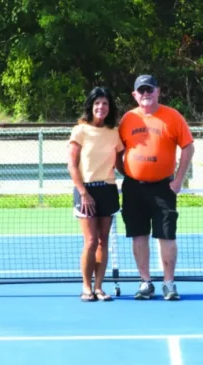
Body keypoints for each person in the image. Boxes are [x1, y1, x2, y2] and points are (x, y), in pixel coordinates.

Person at [117, 75, 195, 301]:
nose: (145, 94)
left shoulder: (173, 117)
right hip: (133, 188)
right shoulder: (128, 118)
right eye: (141, 91)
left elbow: (188, 148)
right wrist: (128, 173)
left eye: (149, 89)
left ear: (158, 91)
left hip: (164, 187)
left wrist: (178, 180)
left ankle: (169, 284)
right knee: (138, 235)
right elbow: (117, 151)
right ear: (134, 95)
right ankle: (145, 283)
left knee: (167, 235)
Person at [67, 87, 124, 302]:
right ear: (91, 106)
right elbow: (71, 165)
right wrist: (83, 193)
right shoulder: (80, 131)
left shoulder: (114, 132)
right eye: (97, 103)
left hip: (108, 190)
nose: (101, 107)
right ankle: (86, 287)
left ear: (110, 108)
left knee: (103, 241)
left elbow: (121, 164)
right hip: (86, 191)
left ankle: (99, 287)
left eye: (105, 104)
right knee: (90, 241)